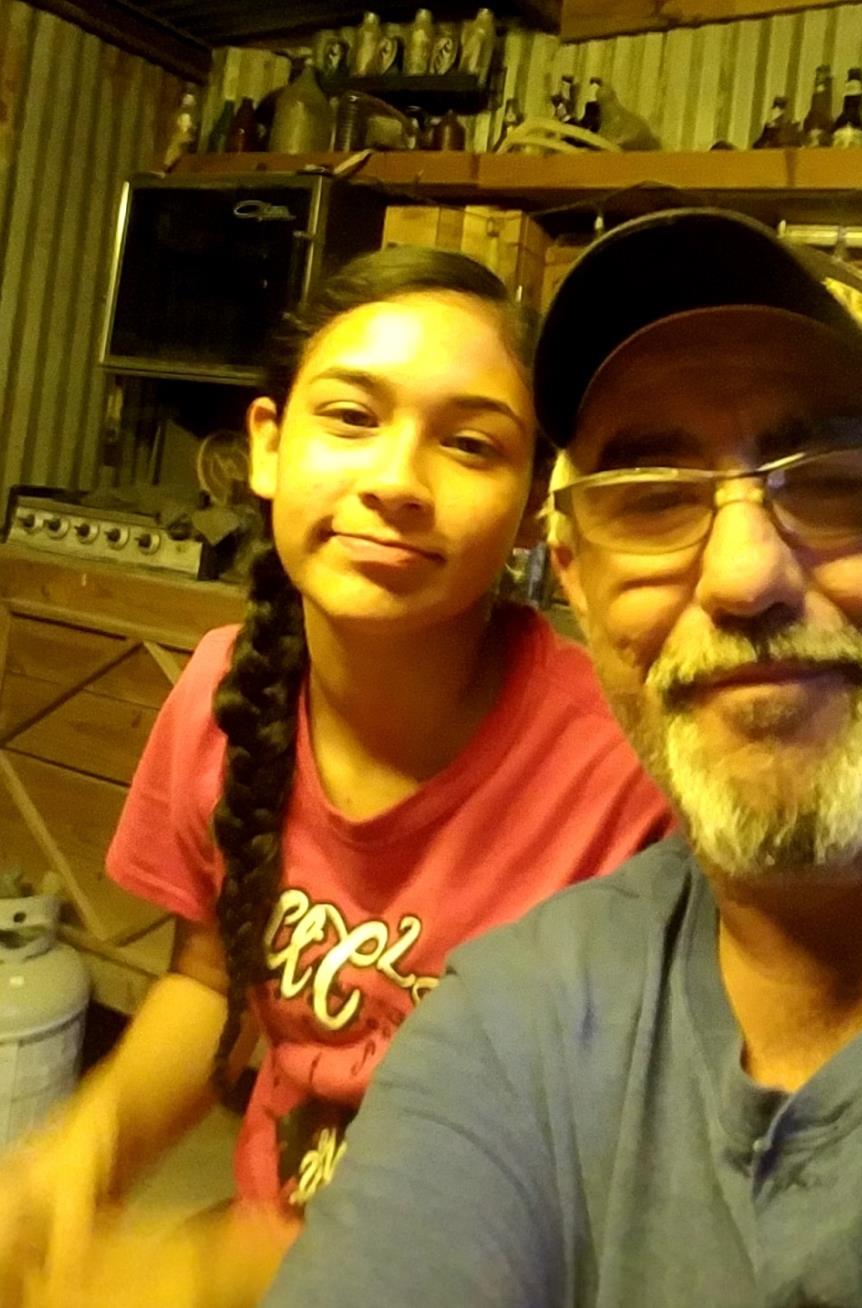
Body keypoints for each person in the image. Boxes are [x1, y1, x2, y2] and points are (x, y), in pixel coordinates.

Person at [263, 210, 862, 1308]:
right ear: (577, 583)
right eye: (651, 500)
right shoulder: (516, 1020)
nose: (741, 577)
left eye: (832, 481)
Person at [0, 244, 671, 1306]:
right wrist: (94, 1143)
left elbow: (613, 1187)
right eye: (352, 417)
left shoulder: (626, 776)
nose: (396, 482)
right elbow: (210, 984)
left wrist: (208, 1278)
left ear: (532, 504)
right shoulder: (222, 693)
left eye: (469, 443)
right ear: (268, 447)